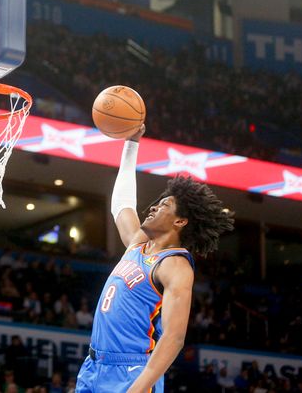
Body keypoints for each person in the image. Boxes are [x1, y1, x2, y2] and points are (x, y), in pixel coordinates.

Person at [76, 125, 234, 393]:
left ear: (181, 221)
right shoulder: (138, 245)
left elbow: (174, 338)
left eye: (164, 206)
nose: (153, 207)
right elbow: (121, 204)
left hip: (131, 372)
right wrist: (132, 144)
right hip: (93, 366)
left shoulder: (175, 265)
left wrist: (138, 388)